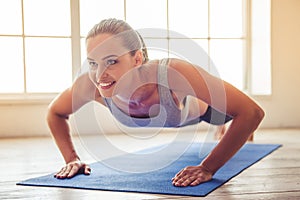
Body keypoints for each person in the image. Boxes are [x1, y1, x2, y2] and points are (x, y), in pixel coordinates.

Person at [47, 18, 264, 187]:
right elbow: (55, 112)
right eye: (93, 63)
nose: (100, 74)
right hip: (179, 117)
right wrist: (71, 159)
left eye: (112, 61)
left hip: (206, 112)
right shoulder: (90, 85)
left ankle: (221, 124)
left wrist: (208, 167)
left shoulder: (172, 73)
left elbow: (252, 112)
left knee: (228, 115)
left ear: (137, 59)